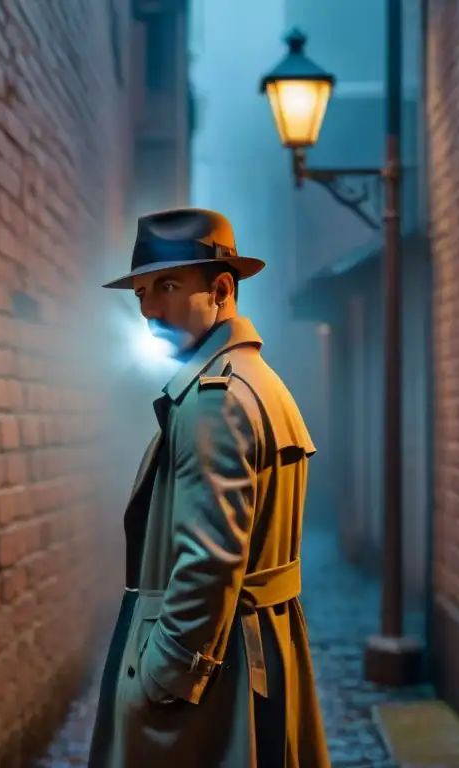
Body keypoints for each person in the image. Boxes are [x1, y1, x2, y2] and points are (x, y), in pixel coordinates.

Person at [87, 208, 331, 768]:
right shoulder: (258, 380)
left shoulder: (214, 400)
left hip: (216, 669)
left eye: (168, 286)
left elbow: (209, 561)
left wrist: (164, 675)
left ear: (222, 288)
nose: (148, 309)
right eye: (143, 291)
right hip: (255, 647)